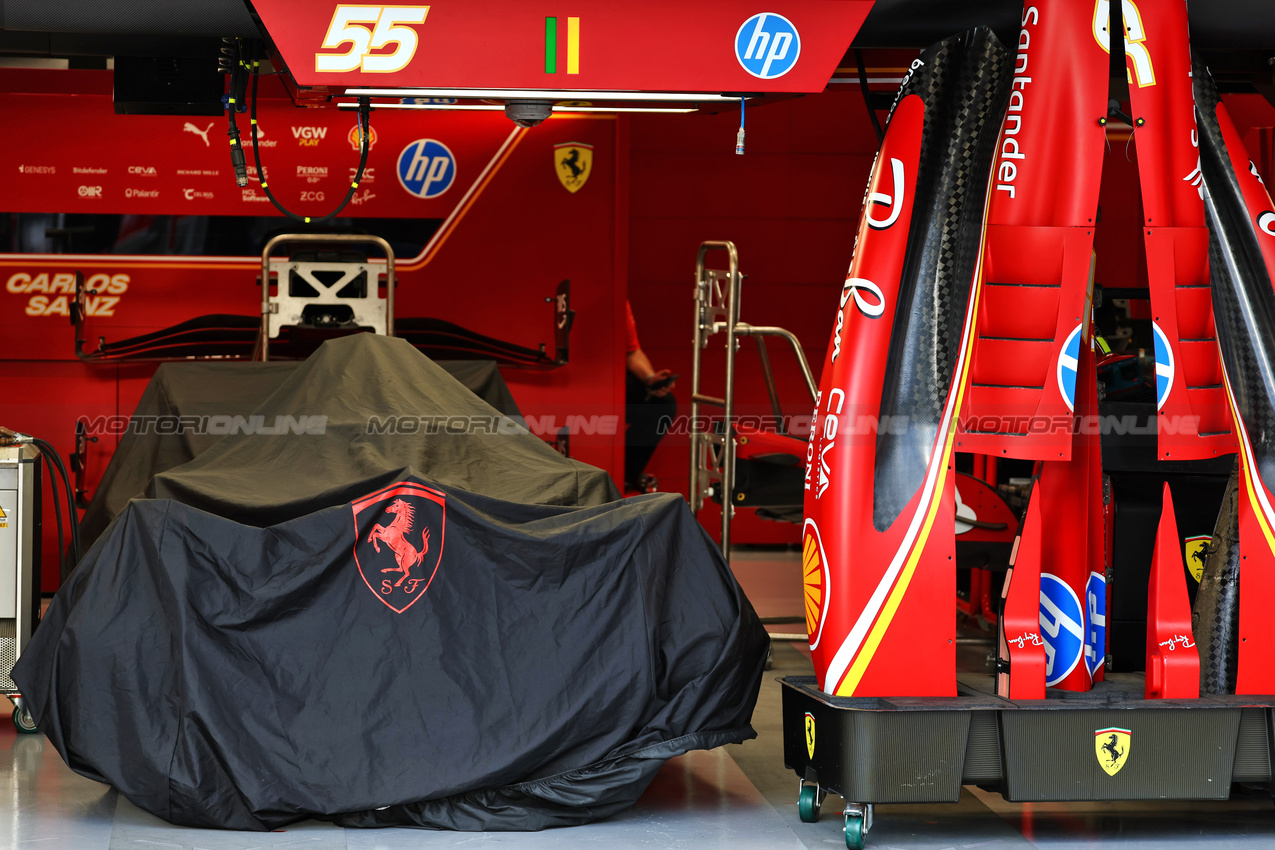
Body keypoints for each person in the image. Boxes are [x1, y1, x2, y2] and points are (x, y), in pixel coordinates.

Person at [624, 300, 676, 493]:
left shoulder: (620, 302)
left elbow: (632, 352)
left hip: (613, 382)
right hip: (585, 378)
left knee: (662, 405)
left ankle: (623, 475)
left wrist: (649, 380)